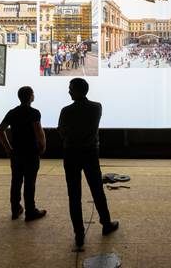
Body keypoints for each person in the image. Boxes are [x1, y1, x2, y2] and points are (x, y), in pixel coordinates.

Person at [57, 78, 118, 248]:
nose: (69, 91)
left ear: (76, 91)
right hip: (90, 153)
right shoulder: (96, 107)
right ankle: (106, 224)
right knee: (97, 190)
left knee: (74, 194)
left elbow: (61, 131)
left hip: (71, 154)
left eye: (70, 89)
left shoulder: (66, 111)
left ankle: (79, 234)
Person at [0, 86, 47, 222]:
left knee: (16, 181)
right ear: (31, 96)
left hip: (16, 153)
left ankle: (15, 209)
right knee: (30, 182)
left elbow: (0, 130)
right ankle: (30, 211)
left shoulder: (12, 112)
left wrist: (8, 148)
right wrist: (43, 146)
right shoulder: (34, 113)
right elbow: (38, 132)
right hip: (31, 152)